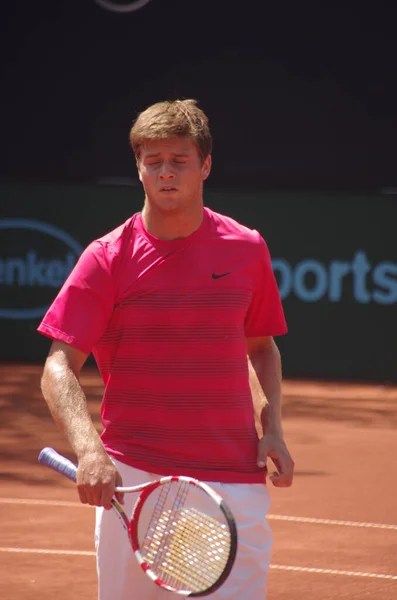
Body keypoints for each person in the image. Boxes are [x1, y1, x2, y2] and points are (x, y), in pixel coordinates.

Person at [38, 98, 294, 600]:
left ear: (205, 165)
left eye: (179, 160)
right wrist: (89, 450)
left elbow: (260, 349)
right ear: (138, 167)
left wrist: (274, 429)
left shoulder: (246, 248)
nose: (165, 173)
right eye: (152, 161)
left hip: (231, 479)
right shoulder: (106, 259)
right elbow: (58, 365)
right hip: (131, 479)